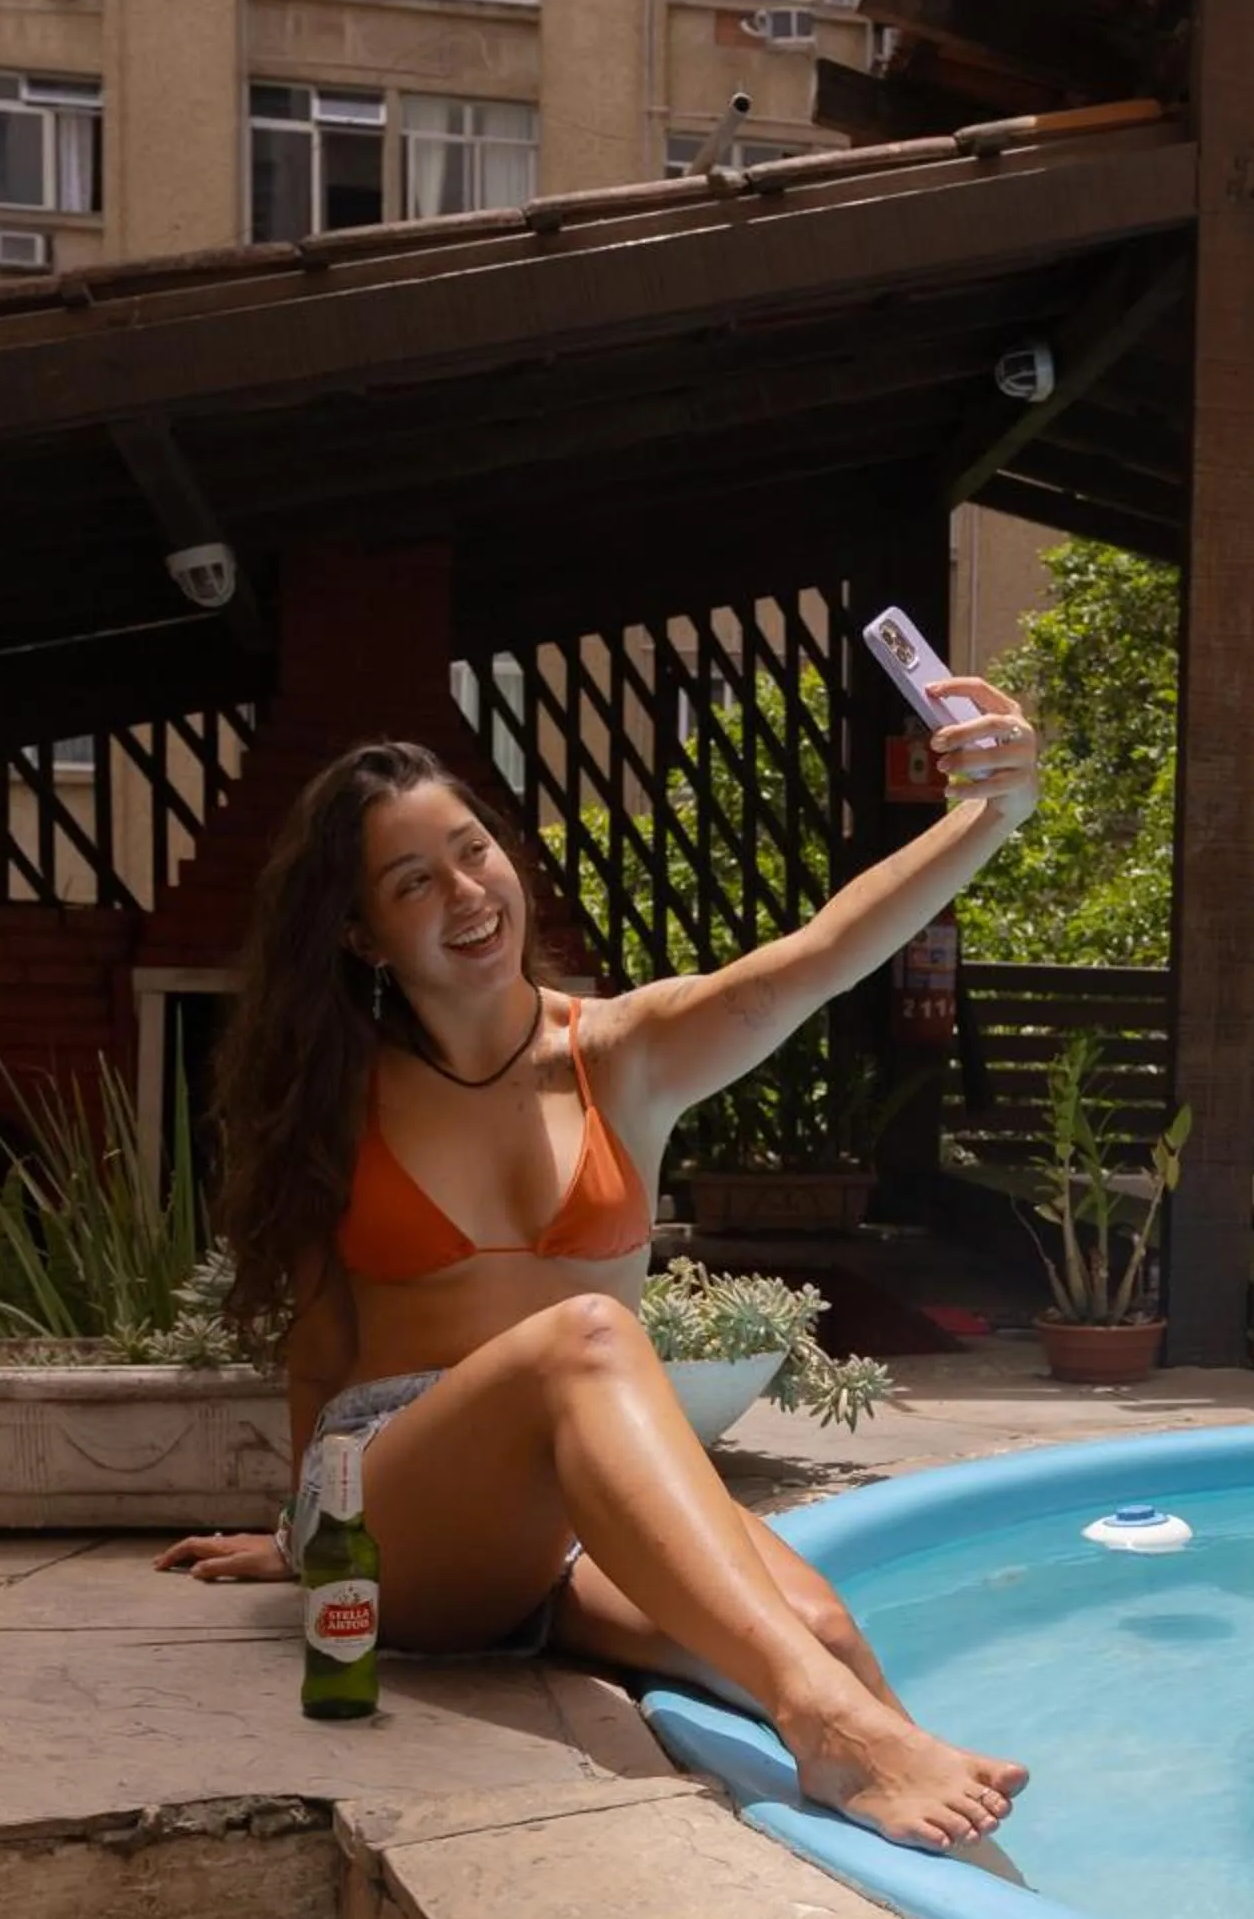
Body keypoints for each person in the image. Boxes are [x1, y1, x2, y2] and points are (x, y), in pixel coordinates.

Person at [154, 676, 1039, 1852]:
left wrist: (990, 814)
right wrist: (308, 1534)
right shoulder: (333, 1098)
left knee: (821, 1631)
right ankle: (831, 1732)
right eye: (414, 882)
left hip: (567, 1519)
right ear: (362, 932)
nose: (467, 895)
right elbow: (320, 1348)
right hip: (413, 1518)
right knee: (592, 1335)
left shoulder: (622, 1056)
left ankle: (963, 1870)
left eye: (474, 854)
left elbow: (822, 955)